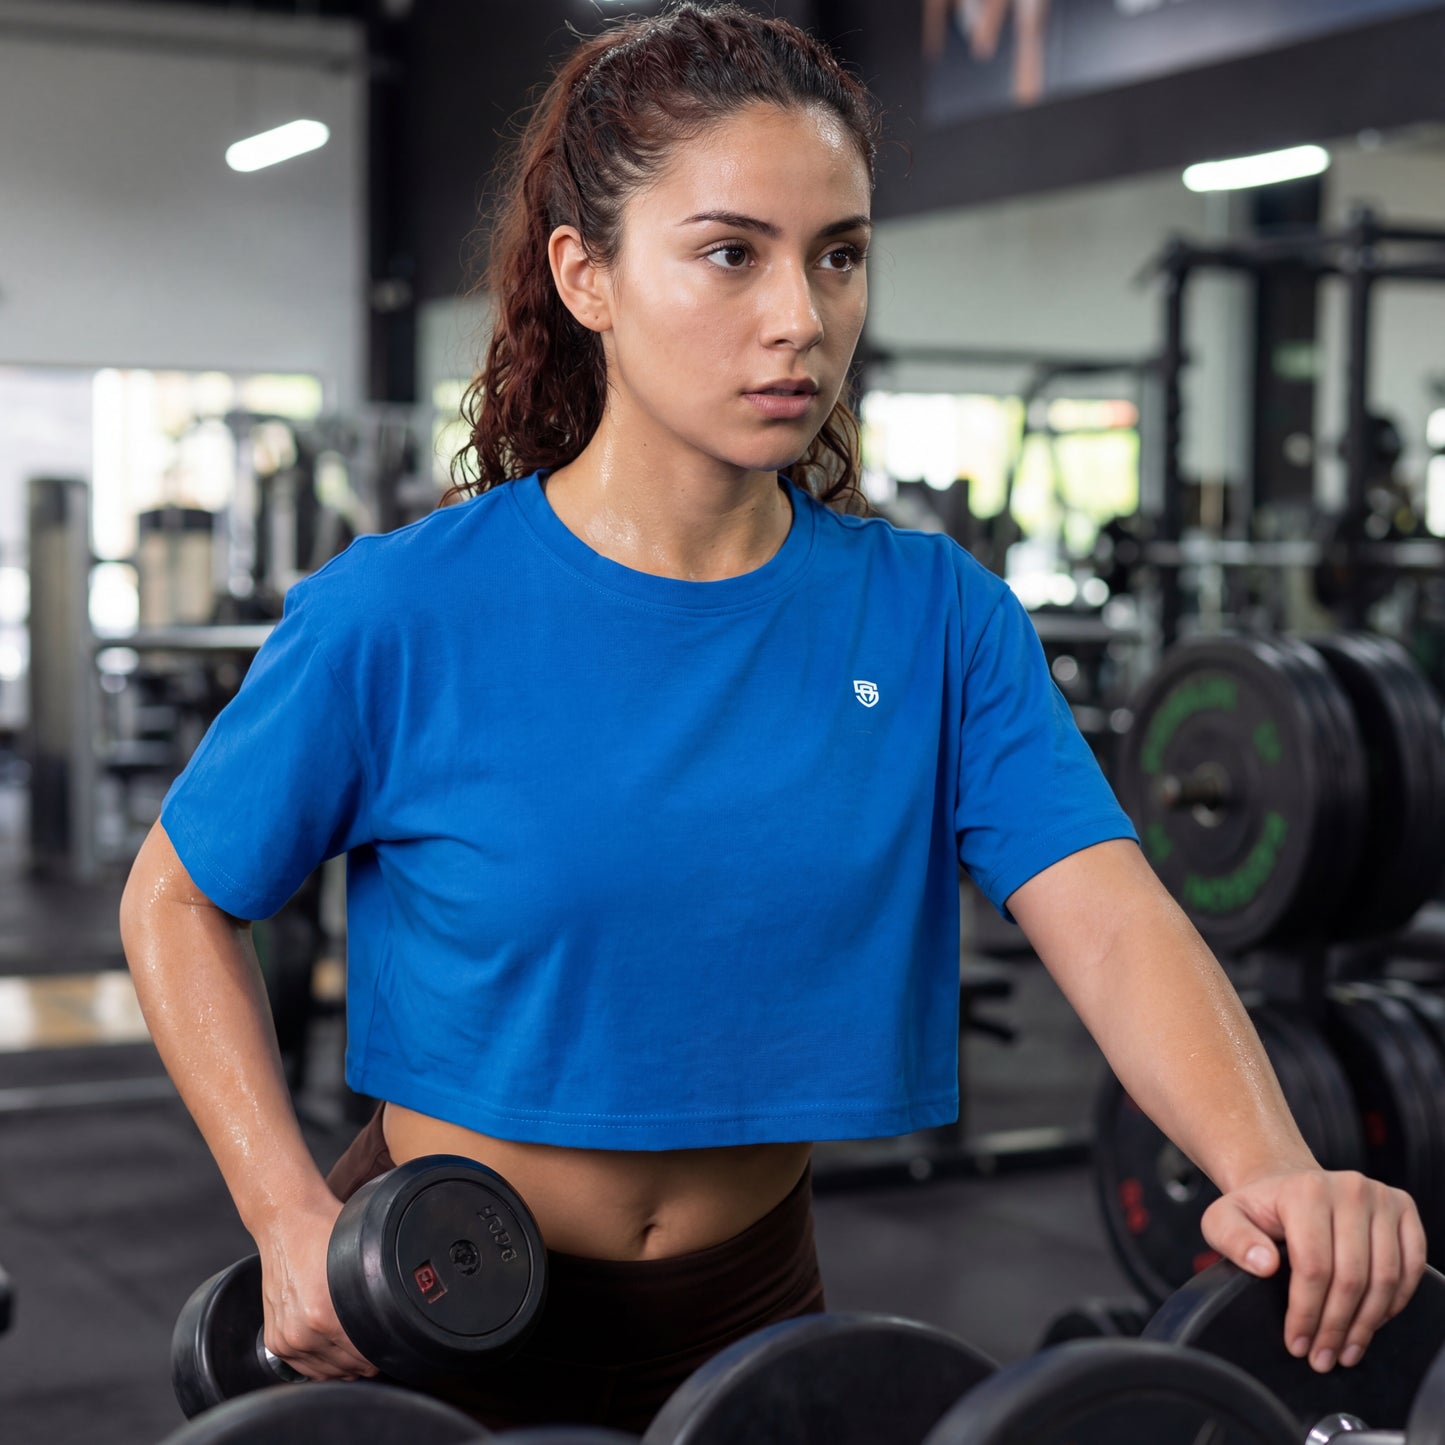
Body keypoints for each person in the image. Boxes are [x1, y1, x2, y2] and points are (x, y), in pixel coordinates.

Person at [120, 3, 1425, 1434]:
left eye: (838, 254)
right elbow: (177, 899)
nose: (801, 317)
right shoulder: (402, 611)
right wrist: (285, 1206)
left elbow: (1109, 917)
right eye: (730, 253)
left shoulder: (935, 618)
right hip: (434, 1304)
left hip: (750, 1311)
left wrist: (1272, 1165)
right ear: (587, 277)